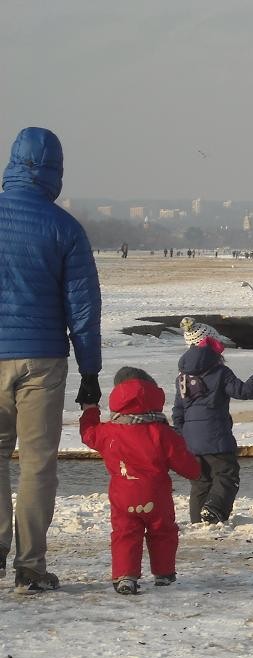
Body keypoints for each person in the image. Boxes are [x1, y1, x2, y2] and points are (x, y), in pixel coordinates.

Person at [0, 127, 102, 594]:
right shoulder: (64, 228)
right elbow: (82, 306)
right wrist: (91, 371)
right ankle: (30, 566)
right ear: (55, 171)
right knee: (37, 464)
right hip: (42, 359)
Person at [79, 367, 200, 595]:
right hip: (157, 496)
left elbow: (88, 433)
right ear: (155, 396)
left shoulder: (109, 432)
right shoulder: (162, 433)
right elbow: (186, 464)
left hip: (123, 496)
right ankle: (164, 573)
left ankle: (126, 577)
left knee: (125, 533)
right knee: (163, 531)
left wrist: (90, 410)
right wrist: (198, 472)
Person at [172, 319, 253, 524]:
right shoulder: (220, 372)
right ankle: (213, 510)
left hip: (191, 442)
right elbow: (244, 391)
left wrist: (182, 435)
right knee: (227, 475)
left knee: (200, 482)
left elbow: (178, 410)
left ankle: (198, 521)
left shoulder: (182, 376)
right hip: (216, 437)